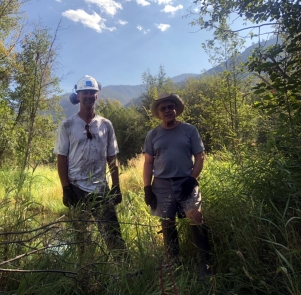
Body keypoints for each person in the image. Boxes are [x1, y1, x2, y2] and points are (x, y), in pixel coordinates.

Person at [54, 75, 128, 262]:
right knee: (81, 237)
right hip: (76, 188)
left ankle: (125, 271)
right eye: (84, 92)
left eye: (92, 92)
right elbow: (61, 158)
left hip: (101, 189)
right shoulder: (67, 125)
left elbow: (112, 157)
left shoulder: (106, 125)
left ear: (97, 96)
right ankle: (86, 275)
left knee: (113, 237)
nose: (88, 95)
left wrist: (116, 186)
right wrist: (65, 188)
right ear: (77, 96)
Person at [143, 92, 212, 280]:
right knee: (167, 222)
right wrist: (147, 188)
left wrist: (192, 179)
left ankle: (204, 264)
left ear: (176, 109)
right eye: (163, 108)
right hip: (162, 184)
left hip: (186, 182)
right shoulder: (153, 135)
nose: (167, 111)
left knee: (196, 217)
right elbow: (148, 163)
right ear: (158, 113)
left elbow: (200, 157)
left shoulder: (189, 130)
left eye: (170, 107)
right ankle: (174, 262)